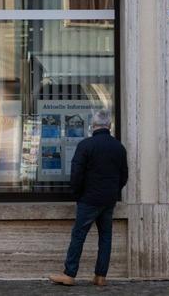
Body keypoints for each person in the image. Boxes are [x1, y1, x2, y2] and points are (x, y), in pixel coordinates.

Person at [49, 109, 128, 287]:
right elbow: (124, 176)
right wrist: (114, 193)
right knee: (105, 236)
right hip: (109, 200)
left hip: (89, 199)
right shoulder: (119, 147)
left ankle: (69, 274)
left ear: (93, 126)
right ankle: (100, 276)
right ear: (109, 126)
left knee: (78, 235)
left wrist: (77, 194)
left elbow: (76, 173)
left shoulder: (86, 145)